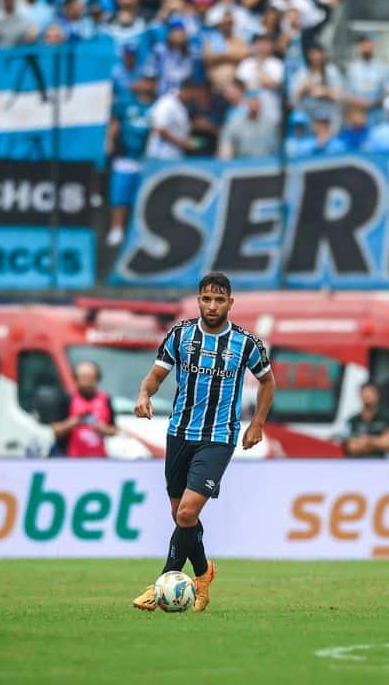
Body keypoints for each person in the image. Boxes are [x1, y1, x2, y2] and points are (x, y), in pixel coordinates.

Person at [131, 272, 276, 613]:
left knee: (186, 512)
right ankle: (203, 572)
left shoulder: (246, 343)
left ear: (230, 303)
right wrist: (143, 394)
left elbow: (268, 383)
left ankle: (162, 583)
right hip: (179, 433)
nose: (212, 306)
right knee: (180, 516)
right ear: (198, 301)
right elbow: (155, 376)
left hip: (218, 438)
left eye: (219, 300)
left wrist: (257, 424)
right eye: (206, 299)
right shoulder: (180, 336)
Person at [106, 70, 155, 247]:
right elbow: (114, 123)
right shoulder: (126, 103)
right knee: (119, 195)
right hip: (125, 155)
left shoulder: (158, 105)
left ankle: (138, 234)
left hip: (147, 159)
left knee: (143, 199)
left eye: (151, 81)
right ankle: (116, 229)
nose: (148, 85)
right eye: (145, 80)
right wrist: (110, 140)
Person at [52, 360, 117, 458]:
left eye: (89, 378)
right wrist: (73, 422)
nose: (86, 382)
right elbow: (55, 430)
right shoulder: (68, 399)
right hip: (71, 458)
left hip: (99, 457)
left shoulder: (105, 399)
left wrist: (102, 428)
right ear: (76, 379)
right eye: (82, 378)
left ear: (96, 379)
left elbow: (114, 430)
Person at [336, 382, 389, 458]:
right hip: (356, 464)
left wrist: (368, 441)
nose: (367, 396)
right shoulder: (352, 420)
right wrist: (378, 443)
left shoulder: (387, 418)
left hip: (381, 463)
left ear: (377, 395)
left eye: (370, 393)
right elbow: (351, 447)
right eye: (365, 393)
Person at [218, 89, 279, 159]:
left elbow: (277, 148)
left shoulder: (270, 124)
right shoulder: (235, 124)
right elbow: (225, 147)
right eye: (251, 102)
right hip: (243, 165)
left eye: (257, 102)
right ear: (245, 104)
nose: (254, 105)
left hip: (267, 165)